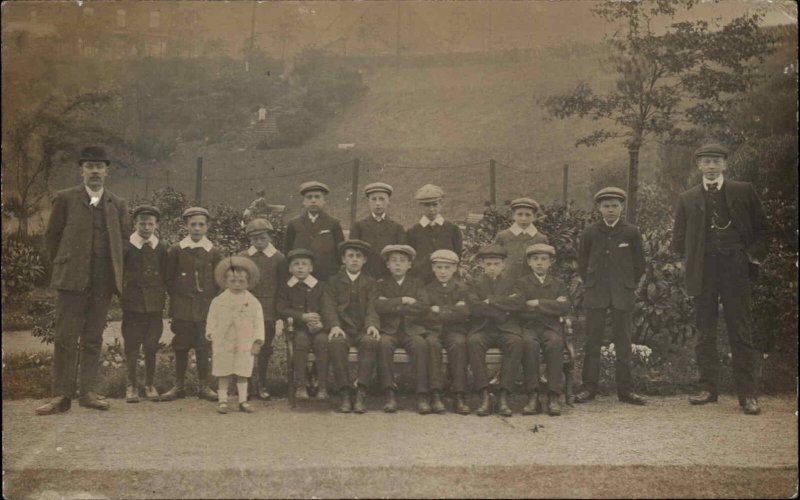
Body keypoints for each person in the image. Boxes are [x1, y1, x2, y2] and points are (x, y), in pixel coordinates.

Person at [672, 143, 768, 415]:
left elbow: (763, 231)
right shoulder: (687, 198)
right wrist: (686, 264)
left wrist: (751, 258)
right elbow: (678, 240)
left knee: (740, 330)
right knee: (705, 331)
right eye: (706, 162)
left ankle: (748, 395)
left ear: (725, 164)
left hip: (735, 269)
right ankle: (707, 388)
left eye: (716, 161)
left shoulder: (743, 190)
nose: (711, 167)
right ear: (699, 166)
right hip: (703, 271)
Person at [37, 146, 130, 415]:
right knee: (65, 338)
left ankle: (89, 392)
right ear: (82, 170)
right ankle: (60, 396)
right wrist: (66, 264)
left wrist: (112, 267)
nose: (95, 172)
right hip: (71, 280)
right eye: (89, 166)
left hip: (103, 282)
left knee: (92, 338)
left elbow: (123, 242)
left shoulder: (118, 204)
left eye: (99, 167)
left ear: (107, 171)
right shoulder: (65, 199)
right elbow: (52, 238)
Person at [575, 187, 647, 406]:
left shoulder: (631, 232)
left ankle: (626, 391)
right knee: (592, 341)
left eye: (615, 206)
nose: (611, 210)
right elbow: (582, 262)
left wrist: (628, 285)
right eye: (606, 206)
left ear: (622, 207)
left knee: (624, 343)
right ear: (599, 208)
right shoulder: (590, 232)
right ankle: (588, 388)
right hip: (596, 292)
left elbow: (639, 264)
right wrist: (591, 283)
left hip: (622, 293)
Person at [162, 207, 223, 402]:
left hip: (205, 308)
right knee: (181, 345)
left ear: (207, 227)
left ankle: (203, 386)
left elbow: (220, 280)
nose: (197, 228)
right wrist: (181, 296)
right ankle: (178, 385)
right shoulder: (176, 250)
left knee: (203, 345)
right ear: (186, 226)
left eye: (201, 224)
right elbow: (169, 279)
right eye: (193, 224)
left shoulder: (214, 252)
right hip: (182, 307)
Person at [374, 245, 438, 414]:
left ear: (409, 265)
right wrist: (404, 300)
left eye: (402, 261)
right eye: (393, 261)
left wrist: (392, 304)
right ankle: (389, 393)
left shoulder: (417, 283)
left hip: (413, 329)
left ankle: (422, 395)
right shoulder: (381, 284)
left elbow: (424, 306)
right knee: (383, 345)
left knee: (420, 345)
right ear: (387, 265)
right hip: (389, 330)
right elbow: (378, 306)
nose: (398, 265)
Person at [322, 240, 381, 414]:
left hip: (362, 329)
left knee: (371, 342)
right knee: (336, 343)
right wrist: (334, 325)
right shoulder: (333, 282)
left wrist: (372, 325)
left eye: (358, 256)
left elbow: (373, 306)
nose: (354, 260)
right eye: (350, 256)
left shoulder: (371, 283)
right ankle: (345, 392)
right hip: (343, 329)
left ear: (365, 260)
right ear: (343, 259)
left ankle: (361, 391)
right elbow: (328, 306)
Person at [466, 244, 524, 417]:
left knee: (516, 342)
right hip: (482, 327)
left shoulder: (513, 282)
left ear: (503, 265)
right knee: (474, 342)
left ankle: (504, 395)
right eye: (489, 264)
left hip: (506, 328)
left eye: (496, 264)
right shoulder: (474, 283)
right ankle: (484, 394)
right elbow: (474, 308)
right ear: (482, 265)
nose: (492, 268)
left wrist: (490, 300)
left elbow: (517, 304)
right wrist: (503, 304)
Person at [121, 205, 168, 403]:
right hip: (132, 304)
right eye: (142, 223)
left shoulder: (161, 247)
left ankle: (149, 384)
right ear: (135, 223)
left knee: (151, 345)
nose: (146, 227)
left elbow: (167, 273)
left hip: (155, 305)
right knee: (132, 345)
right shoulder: (127, 245)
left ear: (156, 225)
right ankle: (131, 385)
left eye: (150, 223)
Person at [516, 243, 570, 416]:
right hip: (529, 326)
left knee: (555, 344)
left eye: (544, 259)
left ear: (550, 262)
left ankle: (553, 395)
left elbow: (564, 308)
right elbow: (520, 308)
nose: (539, 263)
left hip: (551, 327)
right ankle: (533, 395)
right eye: (535, 259)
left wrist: (538, 303)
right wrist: (552, 304)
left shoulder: (558, 283)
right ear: (529, 262)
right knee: (528, 345)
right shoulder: (521, 283)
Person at [206, 257, 264, 414]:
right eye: (232, 281)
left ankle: (243, 401)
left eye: (241, 281)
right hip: (223, 340)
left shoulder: (252, 302)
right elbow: (212, 317)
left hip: (244, 340)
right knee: (223, 371)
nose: (237, 285)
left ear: (248, 282)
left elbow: (258, 322)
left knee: (242, 371)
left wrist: (257, 341)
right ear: (225, 282)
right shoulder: (218, 301)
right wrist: (211, 332)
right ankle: (223, 401)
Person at [238, 218, 286, 400]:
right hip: (246, 308)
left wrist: (279, 311)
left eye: (263, 237)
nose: (259, 242)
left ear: (270, 237)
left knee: (264, 347)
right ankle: (247, 383)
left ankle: (262, 382)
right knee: (246, 346)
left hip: (268, 310)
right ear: (249, 239)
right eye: (254, 238)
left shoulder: (279, 258)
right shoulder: (243, 257)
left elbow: (282, 286)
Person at [276, 248, 329, 401]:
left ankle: (322, 385)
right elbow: (282, 309)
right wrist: (302, 316)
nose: (300, 267)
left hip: (319, 328)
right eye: (296, 264)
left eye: (304, 264)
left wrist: (320, 323)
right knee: (301, 341)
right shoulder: (286, 287)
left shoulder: (321, 286)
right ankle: (301, 385)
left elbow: (328, 307)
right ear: (290, 268)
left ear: (311, 268)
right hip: (298, 328)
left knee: (322, 342)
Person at [424, 249, 471, 415]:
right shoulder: (427, 289)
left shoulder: (462, 288)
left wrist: (439, 310)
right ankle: (435, 393)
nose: (443, 272)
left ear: (455, 269)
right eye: (439, 267)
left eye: (447, 267)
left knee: (459, 344)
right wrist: (452, 310)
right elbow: (425, 314)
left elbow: (464, 313)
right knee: (431, 344)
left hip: (454, 330)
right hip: (433, 330)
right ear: (433, 268)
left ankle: (459, 394)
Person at [284, 181, 345, 282]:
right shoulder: (294, 224)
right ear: (304, 202)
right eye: (309, 197)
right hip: (300, 277)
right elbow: (287, 251)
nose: (313, 200)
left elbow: (340, 253)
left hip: (326, 278)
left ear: (323, 201)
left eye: (317, 197)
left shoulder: (333, 223)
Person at [349, 182, 407, 280]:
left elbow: (401, 257)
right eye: (374, 199)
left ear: (388, 201)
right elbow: (354, 255)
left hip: (389, 280)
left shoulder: (397, 228)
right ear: (368, 202)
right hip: (364, 279)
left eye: (382, 199)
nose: (378, 203)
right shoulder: (358, 226)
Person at [406, 184, 463, 283]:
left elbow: (457, 255)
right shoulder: (413, 231)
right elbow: (411, 259)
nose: (431, 209)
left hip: (448, 280)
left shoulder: (452, 229)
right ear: (420, 206)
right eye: (427, 205)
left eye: (435, 204)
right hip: (422, 281)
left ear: (441, 204)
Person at [494, 197, 548, 278]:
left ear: (534, 217)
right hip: (506, 282)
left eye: (528, 215)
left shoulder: (540, 238)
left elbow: (544, 264)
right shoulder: (503, 236)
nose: (523, 218)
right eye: (520, 214)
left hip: (531, 284)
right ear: (513, 216)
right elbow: (495, 259)